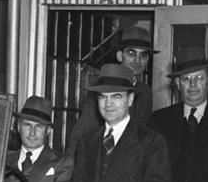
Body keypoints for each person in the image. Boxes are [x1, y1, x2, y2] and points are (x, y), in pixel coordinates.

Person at [64, 25, 156, 157]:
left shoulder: (145, 92)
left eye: (143, 55)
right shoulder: (103, 89)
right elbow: (80, 137)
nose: (137, 60)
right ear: (119, 56)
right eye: (131, 53)